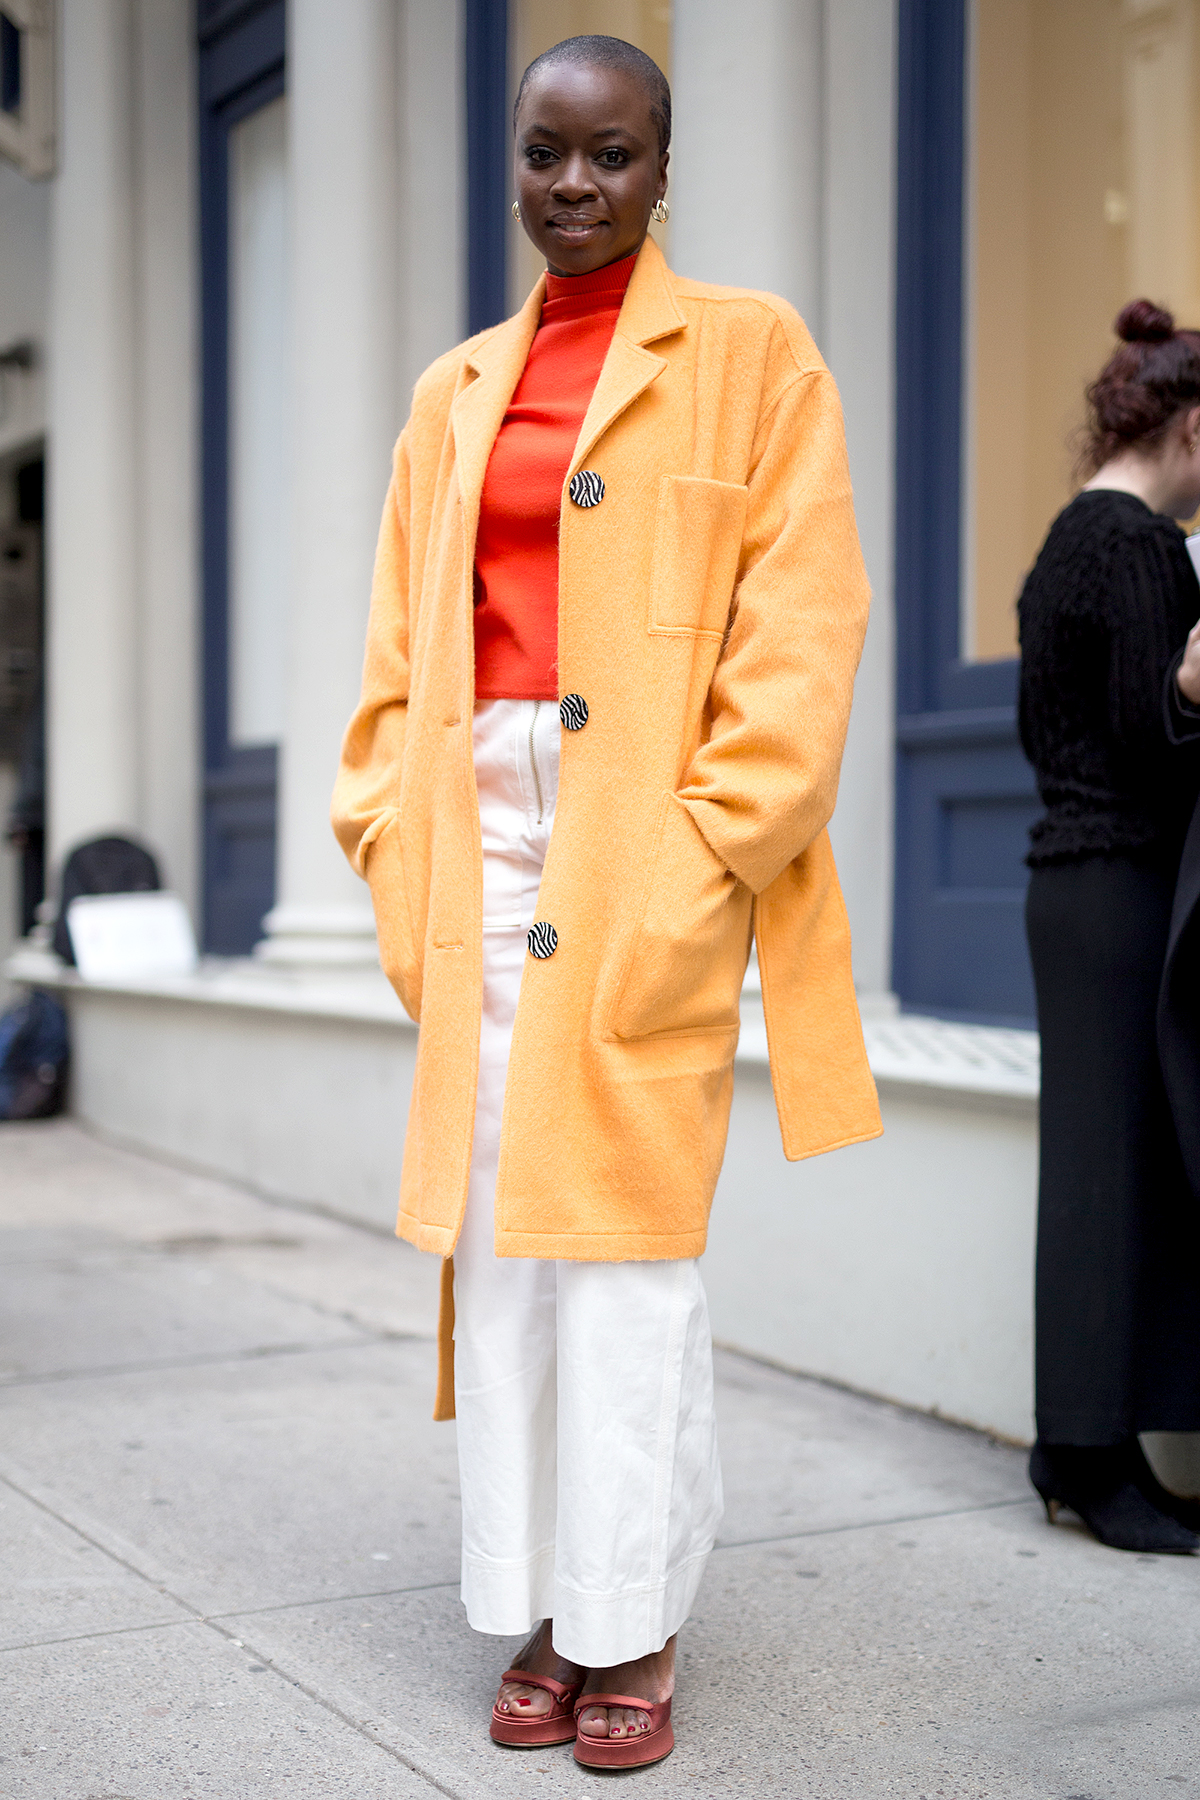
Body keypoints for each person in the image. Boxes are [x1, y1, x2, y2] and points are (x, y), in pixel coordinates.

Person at [332, 35, 880, 1769]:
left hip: (643, 840)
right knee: (504, 1241)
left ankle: (628, 1617)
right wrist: (388, 843)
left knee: (627, 1254)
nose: (575, 184)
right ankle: (541, 1601)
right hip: (477, 836)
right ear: (512, 162)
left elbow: (802, 634)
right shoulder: (452, 391)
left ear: (662, 165)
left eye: (613, 153)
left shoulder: (753, 355)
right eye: (546, 153)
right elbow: (395, 659)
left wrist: (709, 853)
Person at [1019, 297, 1200, 1555]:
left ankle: (1079, 1449)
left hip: (1070, 883)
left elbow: (1056, 731)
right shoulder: (1139, 546)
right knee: (1111, 1175)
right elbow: (1151, 741)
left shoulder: (1065, 540)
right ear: (1189, 428)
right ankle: (1092, 1461)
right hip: (1121, 884)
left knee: (1098, 1166)